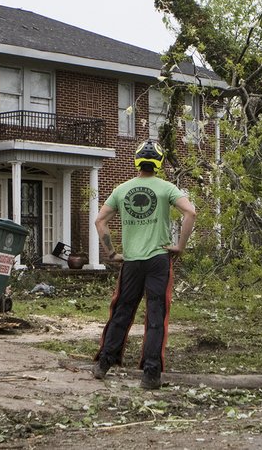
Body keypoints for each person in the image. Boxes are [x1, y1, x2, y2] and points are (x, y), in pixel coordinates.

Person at [91, 139, 196, 390]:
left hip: (132, 261)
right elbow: (190, 212)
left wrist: (112, 253)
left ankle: (103, 363)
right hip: (159, 260)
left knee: (122, 310)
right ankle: (151, 374)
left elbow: (99, 221)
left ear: (136, 161)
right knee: (156, 314)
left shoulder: (121, 189)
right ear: (158, 163)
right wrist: (180, 246)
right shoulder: (166, 188)